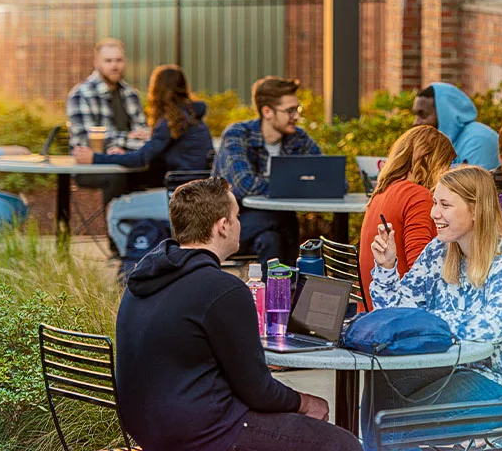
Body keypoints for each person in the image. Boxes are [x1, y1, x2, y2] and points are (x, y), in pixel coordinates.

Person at [115, 177, 362, 451]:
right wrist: (304, 402)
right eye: (237, 217)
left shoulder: (143, 278)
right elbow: (258, 391)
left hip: (149, 429)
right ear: (223, 226)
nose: (240, 225)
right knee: (343, 443)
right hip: (204, 432)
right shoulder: (222, 290)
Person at [362, 165, 502, 450]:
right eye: (435, 202)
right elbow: (394, 317)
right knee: (382, 379)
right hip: (449, 368)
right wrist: (386, 268)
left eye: (445, 204)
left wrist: (429, 322)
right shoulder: (438, 250)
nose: (434, 213)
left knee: (397, 426)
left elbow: (491, 329)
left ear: (476, 210)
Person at [212, 76, 321, 271]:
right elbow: (244, 185)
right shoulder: (237, 135)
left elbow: (330, 178)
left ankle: (274, 298)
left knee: (271, 240)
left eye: (297, 109)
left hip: (268, 228)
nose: (296, 116)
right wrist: (294, 184)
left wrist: (285, 185)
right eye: (290, 111)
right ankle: (294, 282)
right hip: (225, 224)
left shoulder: (297, 138)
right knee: (283, 218)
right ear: (267, 111)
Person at [359, 125, 456, 309]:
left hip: (371, 308)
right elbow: (420, 268)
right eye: (446, 165)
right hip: (401, 313)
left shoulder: (380, 192)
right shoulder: (418, 196)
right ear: (430, 161)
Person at [73, 65, 213, 186]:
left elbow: (140, 159)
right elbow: (153, 155)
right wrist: (126, 154)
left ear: (156, 91)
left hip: (179, 194)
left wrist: (94, 158)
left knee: (119, 207)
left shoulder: (172, 122)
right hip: (194, 189)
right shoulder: (191, 117)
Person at [66, 38, 149, 204]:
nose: (114, 66)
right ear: (96, 63)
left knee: (157, 171)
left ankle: (144, 228)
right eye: (108, 61)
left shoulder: (131, 94)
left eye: (119, 60)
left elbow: (144, 136)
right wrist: (123, 141)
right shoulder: (81, 94)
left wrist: (124, 148)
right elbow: (87, 139)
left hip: (127, 160)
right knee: (117, 177)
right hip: (89, 165)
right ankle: (115, 229)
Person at [412, 83, 499, 170]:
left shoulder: (478, 140)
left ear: (445, 113)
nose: (415, 122)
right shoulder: (448, 141)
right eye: (415, 115)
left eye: (423, 115)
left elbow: (474, 182)